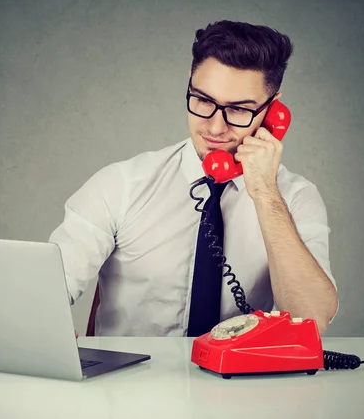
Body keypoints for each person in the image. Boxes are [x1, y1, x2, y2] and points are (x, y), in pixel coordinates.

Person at [49, 20, 338, 337]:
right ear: (190, 84)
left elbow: (311, 321)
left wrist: (266, 194)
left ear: (273, 112)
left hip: (242, 384)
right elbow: (45, 292)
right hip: (130, 384)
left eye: (239, 110)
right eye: (203, 100)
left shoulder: (295, 198)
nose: (215, 128)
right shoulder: (121, 185)